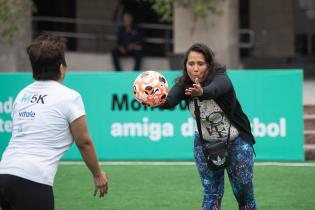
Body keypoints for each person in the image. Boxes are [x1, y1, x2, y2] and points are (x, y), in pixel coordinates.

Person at [0, 34, 108, 210]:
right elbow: (84, 142)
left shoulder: (22, 95)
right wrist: (98, 174)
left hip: (4, 173)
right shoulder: (70, 97)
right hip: (33, 180)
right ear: (61, 68)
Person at [160, 43, 257, 209]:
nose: (195, 69)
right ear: (185, 66)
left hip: (237, 141)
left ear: (209, 65)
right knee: (211, 195)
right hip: (205, 144)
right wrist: (155, 100)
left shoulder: (222, 78)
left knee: (244, 195)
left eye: (200, 64)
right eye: (191, 64)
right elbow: (169, 102)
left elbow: (215, 89)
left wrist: (201, 92)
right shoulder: (184, 84)